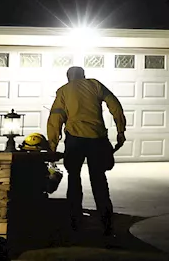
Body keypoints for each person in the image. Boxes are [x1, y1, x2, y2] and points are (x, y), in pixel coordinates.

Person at [47, 65, 127, 235]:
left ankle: (75, 221)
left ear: (68, 77)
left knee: (74, 179)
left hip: (75, 140)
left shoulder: (64, 90)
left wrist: (52, 146)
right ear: (83, 76)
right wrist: (120, 130)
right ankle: (107, 224)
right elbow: (115, 105)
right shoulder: (95, 85)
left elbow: (56, 118)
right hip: (97, 139)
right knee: (99, 180)